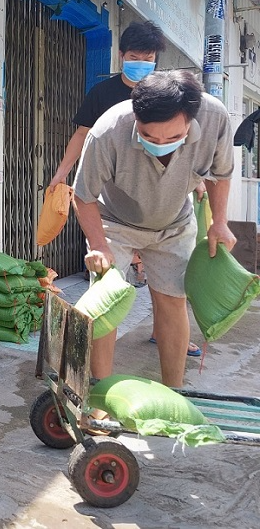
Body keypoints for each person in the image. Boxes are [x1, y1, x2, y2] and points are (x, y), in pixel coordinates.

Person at [72, 70, 235, 390]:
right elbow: (83, 196)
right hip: (116, 222)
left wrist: (220, 222)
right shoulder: (108, 130)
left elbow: (220, 174)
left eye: (173, 138)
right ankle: (101, 394)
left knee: (173, 301)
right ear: (136, 117)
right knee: (106, 303)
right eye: (150, 137)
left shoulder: (215, 118)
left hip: (174, 224)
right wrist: (99, 245)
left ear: (191, 118)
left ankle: (173, 392)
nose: (161, 146)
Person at [47, 20, 202, 356]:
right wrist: (63, 172)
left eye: (148, 58)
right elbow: (82, 136)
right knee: (108, 286)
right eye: (135, 56)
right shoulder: (103, 96)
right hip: (115, 204)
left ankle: (167, 335)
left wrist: (199, 181)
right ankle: (98, 358)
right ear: (121, 55)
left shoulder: (170, 98)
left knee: (168, 286)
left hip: (163, 203)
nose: (142, 63)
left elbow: (190, 147)